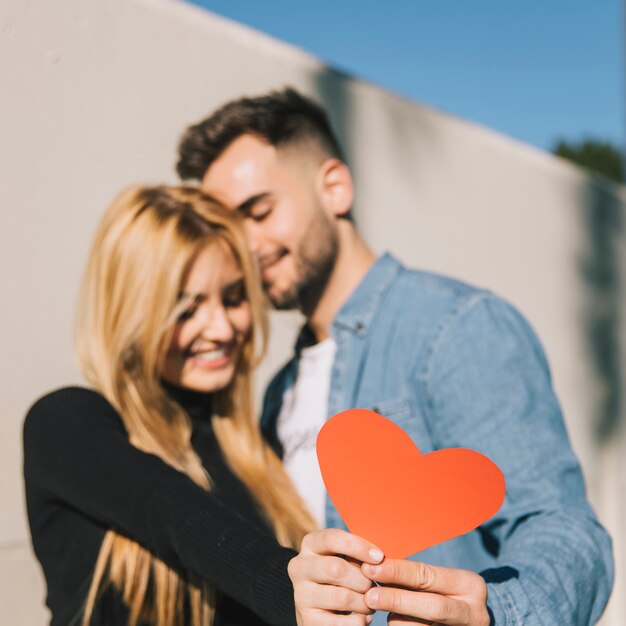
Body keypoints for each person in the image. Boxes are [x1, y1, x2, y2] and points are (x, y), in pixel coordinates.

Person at [176, 88, 614, 625]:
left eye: (259, 212)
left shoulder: (455, 327)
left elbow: (563, 527)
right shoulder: (276, 396)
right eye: (228, 227)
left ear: (334, 188)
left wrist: (496, 614)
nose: (245, 245)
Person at [22, 185, 385, 626]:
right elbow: (169, 509)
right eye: (187, 308)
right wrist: (288, 585)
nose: (221, 327)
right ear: (134, 311)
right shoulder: (66, 423)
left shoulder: (259, 457)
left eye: (233, 298)